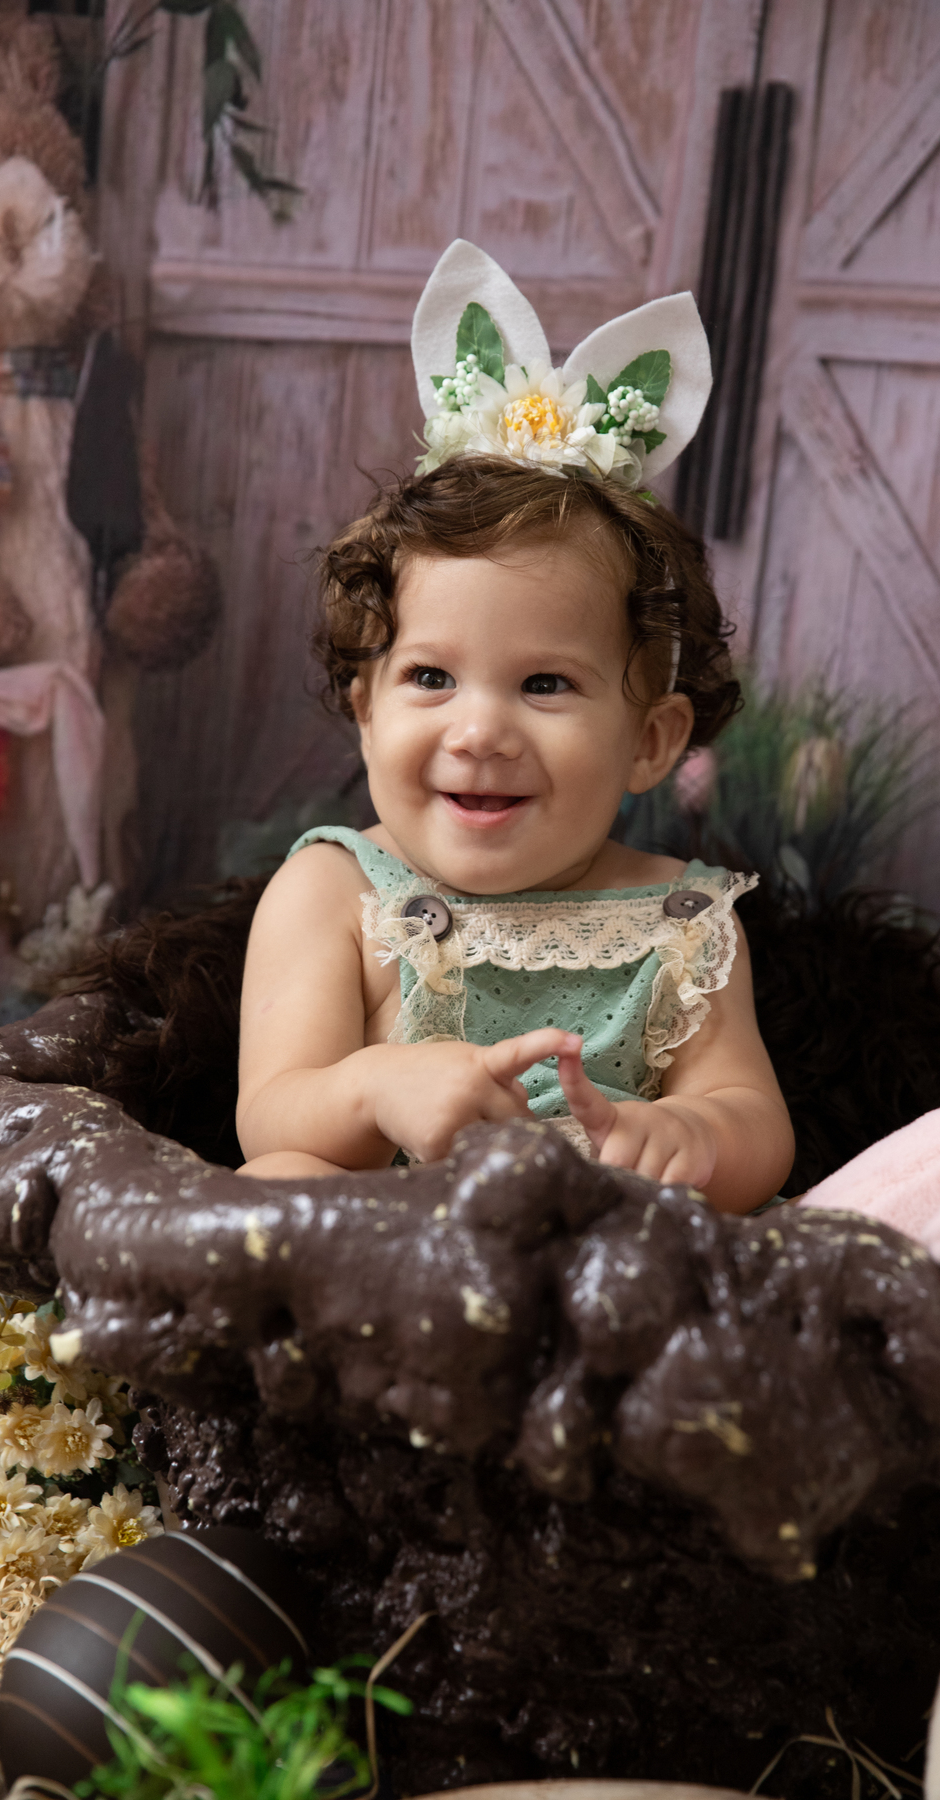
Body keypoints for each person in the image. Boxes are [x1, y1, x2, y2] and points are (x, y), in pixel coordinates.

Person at [236, 242, 793, 1211]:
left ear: (652, 742)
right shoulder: (332, 891)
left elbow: (757, 1125)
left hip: (599, 1260)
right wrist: (375, 1088)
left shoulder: (682, 922)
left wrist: (695, 1134)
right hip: (392, 1249)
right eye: (431, 677)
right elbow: (272, 1112)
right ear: (365, 709)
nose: (480, 731)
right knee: (276, 1179)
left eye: (544, 683)